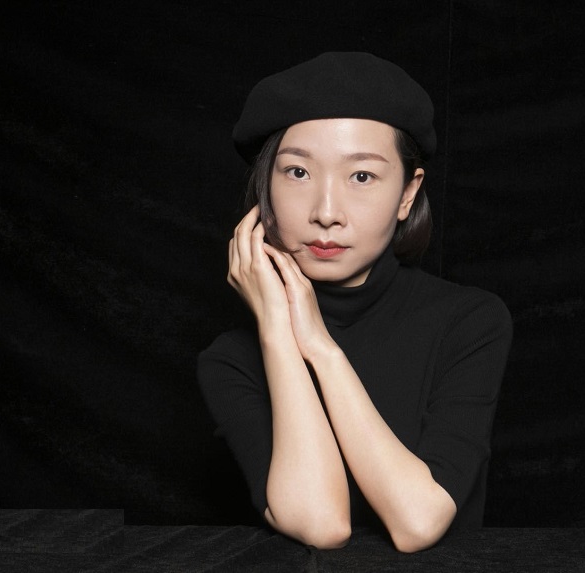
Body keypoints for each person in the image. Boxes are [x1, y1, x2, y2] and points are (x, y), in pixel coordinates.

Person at [197, 52, 512, 553]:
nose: (326, 213)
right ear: (265, 191)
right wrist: (278, 330)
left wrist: (321, 348)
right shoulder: (231, 360)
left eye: (361, 176)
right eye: (297, 172)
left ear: (407, 195)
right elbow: (322, 524)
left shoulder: (469, 322)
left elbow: (418, 522)